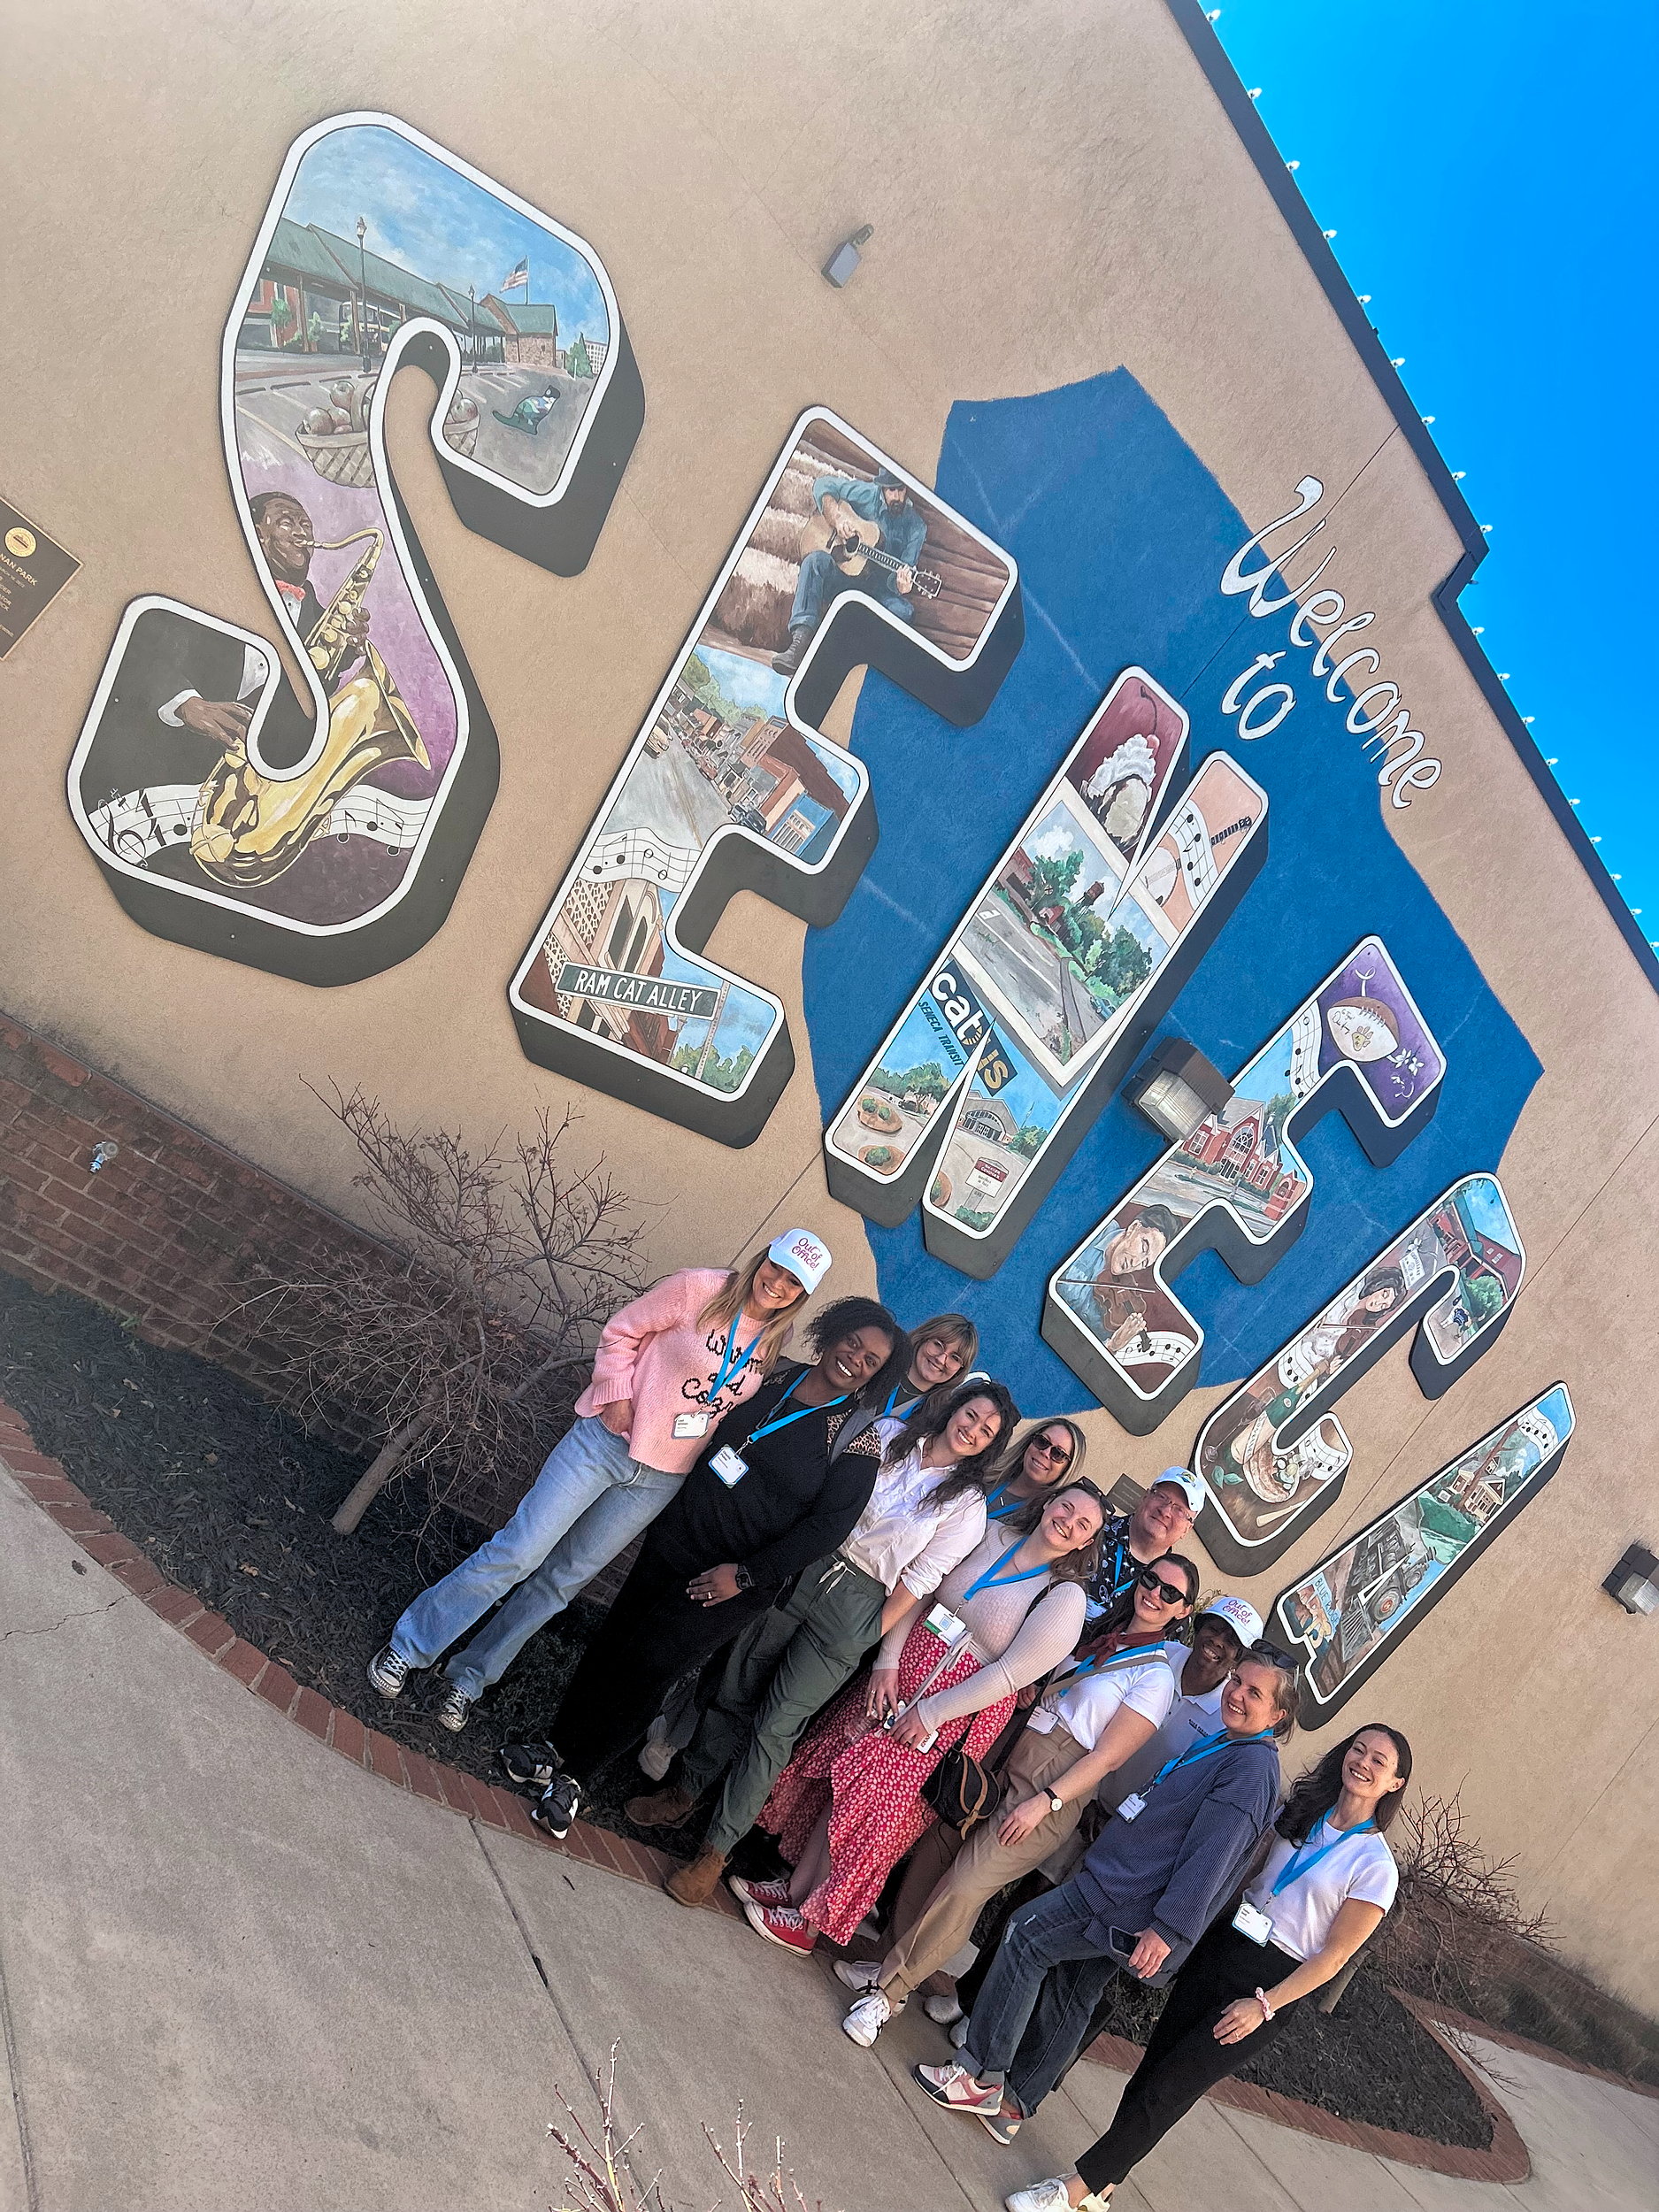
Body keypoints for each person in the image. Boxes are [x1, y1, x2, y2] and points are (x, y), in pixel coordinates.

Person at [365, 1230, 826, 1730]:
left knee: (561, 1581)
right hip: (605, 1442)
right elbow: (623, 1331)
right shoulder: (700, 1289)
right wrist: (616, 1396)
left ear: (802, 1294)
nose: (776, 1283)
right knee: (518, 1552)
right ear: (764, 1258)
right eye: (776, 1267)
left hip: (660, 1478)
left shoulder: (772, 1344)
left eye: (793, 1281)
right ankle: (410, 1646)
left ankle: (469, 1678)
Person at [498, 1295, 906, 1839]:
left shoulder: (860, 1438)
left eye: (871, 1359)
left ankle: (575, 1777)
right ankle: (554, 1746)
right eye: (851, 1342)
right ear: (832, 1335)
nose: (855, 1357)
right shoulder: (776, 1377)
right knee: (614, 1641)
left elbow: (824, 1530)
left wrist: (743, 1576)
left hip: (728, 1582)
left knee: (650, 1668)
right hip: (676, 1541)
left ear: (876, 1376)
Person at [626, 1378, 1019, 1906]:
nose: (972, 1430)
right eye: (971, 1415)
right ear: (953, 1409)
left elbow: (921, 1579)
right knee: (735, 1687)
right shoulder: (886, 1435)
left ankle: (714, 1851)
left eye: (987, 1431)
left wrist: (871, 1634)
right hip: (806, 1564)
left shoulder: (966, 1507)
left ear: (993, 1446)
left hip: (860, 1602)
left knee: (777, 1722)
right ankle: (685, 1792)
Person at [1005, 1724, 1409, 2211]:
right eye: (1358, 1749)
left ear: (1395, 1783)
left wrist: (1265, 2006)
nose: (1362, 1763)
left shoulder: (1375, 1866)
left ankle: (1077, 2189)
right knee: (1152, 2071)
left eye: (1378, 1762)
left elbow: (1334, 1956)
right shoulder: (1302, 1814)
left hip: (1272, 1982)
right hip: (1226, 1945)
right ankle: (1106, 2182)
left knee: (1173, 2087)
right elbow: (1245, 1874)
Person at [914, 1644, 1296, 2145]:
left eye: (1255, 1693)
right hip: (1127, 1889)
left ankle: (979, 2075)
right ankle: (1014, 2103)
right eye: (1238, 1682)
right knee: (1074, 1988)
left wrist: (1167, 1928)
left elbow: (1211, 1858)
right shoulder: (1234, 1748)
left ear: (1279, 1714)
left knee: (1024, 1937)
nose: (1237, 1695)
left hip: (1125, 1898)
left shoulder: (1249, 1772)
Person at [836, 1555, 1201, 2046]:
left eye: (1170, 1593)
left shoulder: (1155, 1678)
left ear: (1183, 1611)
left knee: (966, 1884)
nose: (1154, 1593)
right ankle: (886, 1960)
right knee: (936, 1855)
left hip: (1054, 1785)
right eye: (1152, 1580)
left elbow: (1107, 1759)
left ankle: (889, 1994)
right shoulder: (1100, 1633)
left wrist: (1045, 1803)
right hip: (1011, 1752)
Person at [734, 1486, 1107, 1958]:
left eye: (1083, 1526)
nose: (1069, 1523)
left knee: (875, 1810)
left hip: (950, 1716)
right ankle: (796, 1890)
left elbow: (1010, 1676)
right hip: (900, 1676)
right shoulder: (991, 1535)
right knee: (846, 1780)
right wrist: (887, 1660)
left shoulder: (1064, 1598)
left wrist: (930, 1713)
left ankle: (811, 1921)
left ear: (1085, 1544)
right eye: (1066, 1508)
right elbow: (925, 1589)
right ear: (1050, 1503)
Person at [632, 1313, 981, 1784]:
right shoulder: (872, 1370)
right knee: (722, 1638)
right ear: (922, 1338)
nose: (941, 1359)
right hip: (784, 1514)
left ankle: (687, 1753)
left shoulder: (933, 1415)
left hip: (829, 1546)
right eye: (938, 1344)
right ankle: (669, 1727)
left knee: (743, 1659)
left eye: (955, 1357)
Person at [772, 466, 929, 676]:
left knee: (904, 612)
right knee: (814, 561)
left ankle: (838, 662)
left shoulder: (916, 527)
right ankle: (799, 645)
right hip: (843, 577)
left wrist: (901, 584)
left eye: (901, 490)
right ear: (881, 487)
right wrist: (837, 520)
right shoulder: (867, 494)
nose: (897, 497)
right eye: (891, 490)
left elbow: (902, 572)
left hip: (876, 592)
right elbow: (823, 484)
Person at [1085, 1469, 1205, 1624]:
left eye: (1180, 1511)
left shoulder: (1173, 1593)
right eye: (1162, 1497)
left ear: (1187, 1529)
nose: (1166, 1511)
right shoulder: (1092, 1528)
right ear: (1145, 1496)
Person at [984, 1420, 1089, 1523]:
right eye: (1042, 1441)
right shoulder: (984, 1471)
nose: (1045, 1453)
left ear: (1066, 1469)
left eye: (1058, 1454)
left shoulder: (1042, 1520)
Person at [493, 384, 559, 434]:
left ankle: (524, 424)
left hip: (521, 417)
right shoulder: (544, 403)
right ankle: (524, 425)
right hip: (521, 418)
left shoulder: (540, 401)